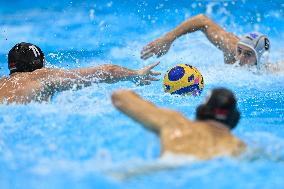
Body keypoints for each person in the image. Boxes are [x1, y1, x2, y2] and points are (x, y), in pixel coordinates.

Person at [0, 42, 160, 104]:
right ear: (40, 64)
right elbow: (106, 71)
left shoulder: (2, 82)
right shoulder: (42, 76)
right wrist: (136, 74)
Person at [112, 88, 246, 160]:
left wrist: (154, 110)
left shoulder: (175, 122)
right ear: (233, 118)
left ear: (202, 110)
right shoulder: (237, 146)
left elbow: (119, 97)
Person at [141, 14, 271, 69]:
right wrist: (167, 39)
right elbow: (202, 20)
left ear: (261, 58)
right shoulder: (231, 47)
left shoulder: (270, 72)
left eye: (248, 54)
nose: (240, 58)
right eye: (240, 51)